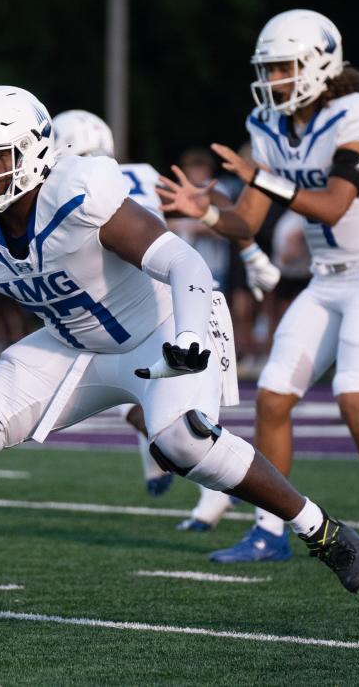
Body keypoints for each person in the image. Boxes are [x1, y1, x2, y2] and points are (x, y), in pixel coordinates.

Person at [0, 85, 359, 633]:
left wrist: (189, 338)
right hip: (73, 342)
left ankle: (320, 529)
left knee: (181, 440)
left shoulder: (80, 191)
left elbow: (184, 263)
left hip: (163, 327)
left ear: (35, 151)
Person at [158, 10, 359, 565]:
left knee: (354, 399)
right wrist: (207, 213)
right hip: (326, 278)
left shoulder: (356, 115)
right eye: (269, 68)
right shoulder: (270, 125)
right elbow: (248, 221)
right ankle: (269, 531)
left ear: (319, 65)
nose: (274, 79)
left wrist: (259, 177)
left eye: (284, 67)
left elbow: (332, 203)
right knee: (274, 398)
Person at [51, 109, 240, 529]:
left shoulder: (78, 189)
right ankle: (178, 473)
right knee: (150, 403)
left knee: (178, 414)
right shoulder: (140, 173)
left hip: (157, 308)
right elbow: (205, 206)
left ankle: (221, 495)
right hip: (152, 305)